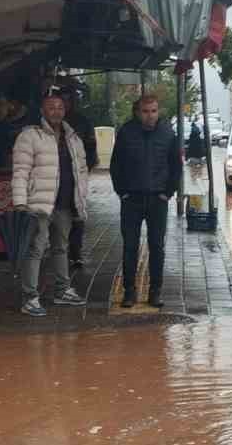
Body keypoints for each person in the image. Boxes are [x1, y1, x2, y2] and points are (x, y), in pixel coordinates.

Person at [11, 89, 90, 317]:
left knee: (61, 248)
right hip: (38, 204)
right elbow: (20, 171)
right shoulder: (30, 136)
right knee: (35, 249)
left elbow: (82, 170)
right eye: (51, 107)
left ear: (65, 111)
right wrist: (20, 202)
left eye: (60, 107)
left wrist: (81, 197)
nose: (56, 111)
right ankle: (30, 298)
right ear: (42, 111)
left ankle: (62, 290)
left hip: (64, 203)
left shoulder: (72, 137)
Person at [109, 93, 182, 308]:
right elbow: (116, 165)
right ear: (137, 112)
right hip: (131, 199)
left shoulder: (168, 134)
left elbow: (176, 167)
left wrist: (167, 193)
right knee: (130, 246)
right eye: (145, 111)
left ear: (158, 112)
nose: (150, 116)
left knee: (157, 246)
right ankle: (129, 291)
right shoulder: (126, 132)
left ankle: (155, 291)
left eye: (153, 111)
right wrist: (122, 191)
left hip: (157, 199)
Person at [58, 85, 99, 272]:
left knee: (77, 215)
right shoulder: (47, 123)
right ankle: (59, 253)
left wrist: (83, 170)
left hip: (76, 177)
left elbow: (91, 149)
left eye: (68, 99)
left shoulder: (82, 122)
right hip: (53, 178)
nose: (65, 104)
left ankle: (75, 253)